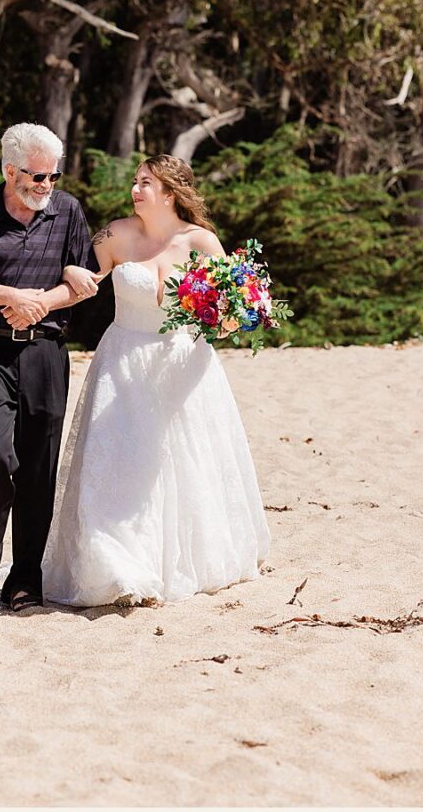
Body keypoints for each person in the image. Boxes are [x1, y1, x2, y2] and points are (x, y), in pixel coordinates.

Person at [40, 155, 269, 607]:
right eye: (135, 181)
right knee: (119, 463)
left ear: (169, 192)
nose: (135, 188)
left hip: (184, 366)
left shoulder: (202, 241)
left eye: (146, 182)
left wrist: (231, 317)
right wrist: (50, 291)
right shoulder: (116, 234)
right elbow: (79, 278)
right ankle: (114, 564)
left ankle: (175, 560)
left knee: (177, 465)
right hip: (122, 361)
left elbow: (226, 318)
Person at [0, 123, 95, 613]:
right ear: (10, 171)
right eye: (36, 176)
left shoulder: (68, 211)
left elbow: (85, 281)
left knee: (38, 468)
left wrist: (44, 302)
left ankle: (24, 577)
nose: (46, 186)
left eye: (53, 176)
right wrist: (12, 297)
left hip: (47, 352)